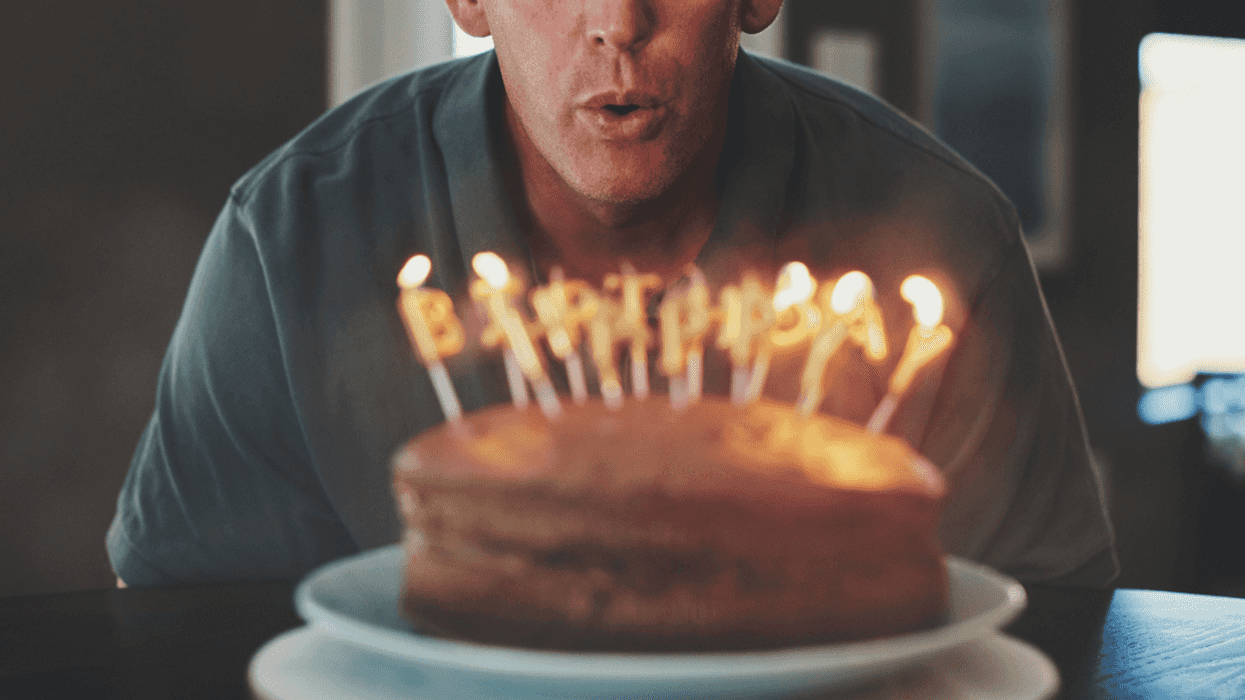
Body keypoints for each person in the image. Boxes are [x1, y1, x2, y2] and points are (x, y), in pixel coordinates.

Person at [108, 0, 1117, 588]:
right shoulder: (290, 243)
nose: (617, 23)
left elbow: (1044, 629)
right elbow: (182, 637)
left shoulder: (940, 242)